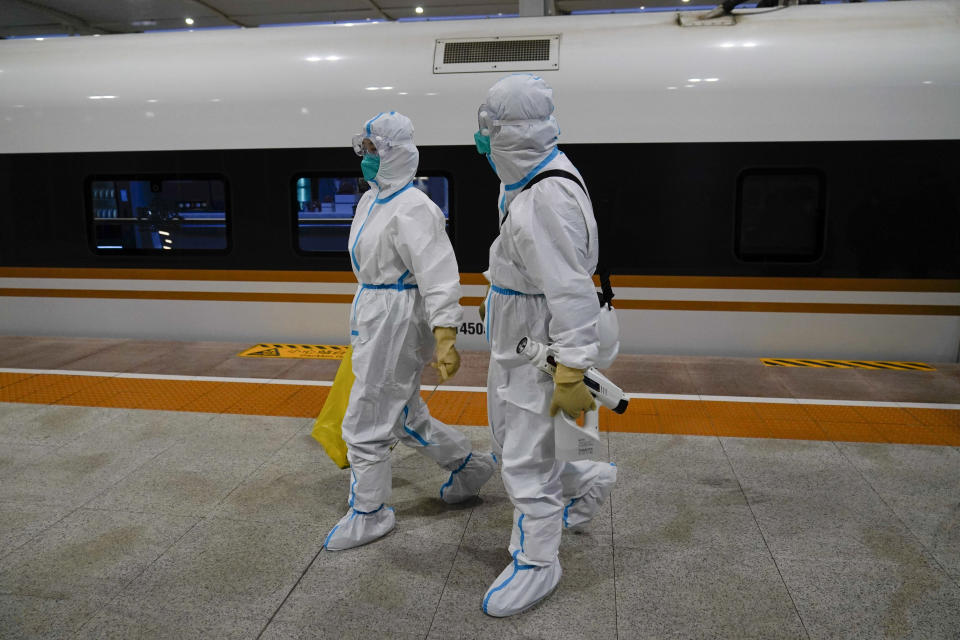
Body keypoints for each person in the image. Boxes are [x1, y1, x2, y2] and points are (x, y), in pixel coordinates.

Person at [474, 75, 618, 617]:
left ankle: (538, 561)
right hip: (522, 325)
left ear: (506, 132)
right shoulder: (529, 174)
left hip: (543, 335)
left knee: (526, 452)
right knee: (520, 434)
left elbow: (570, 289)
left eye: (486, 126)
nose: (479, 138)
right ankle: (584, 481)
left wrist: (573, 367)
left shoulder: (543, 198)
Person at [323, 111, 496, 551]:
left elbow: (439, 275)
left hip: (397, 316)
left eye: (373, 149)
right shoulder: (371, 200)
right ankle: (470, 465)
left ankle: (371, 512)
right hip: (376, 312)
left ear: (395, 153)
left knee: (365, 420)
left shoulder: (416, 207)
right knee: (401, 413)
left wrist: (446, 336)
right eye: (362, 149)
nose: (364, 158)